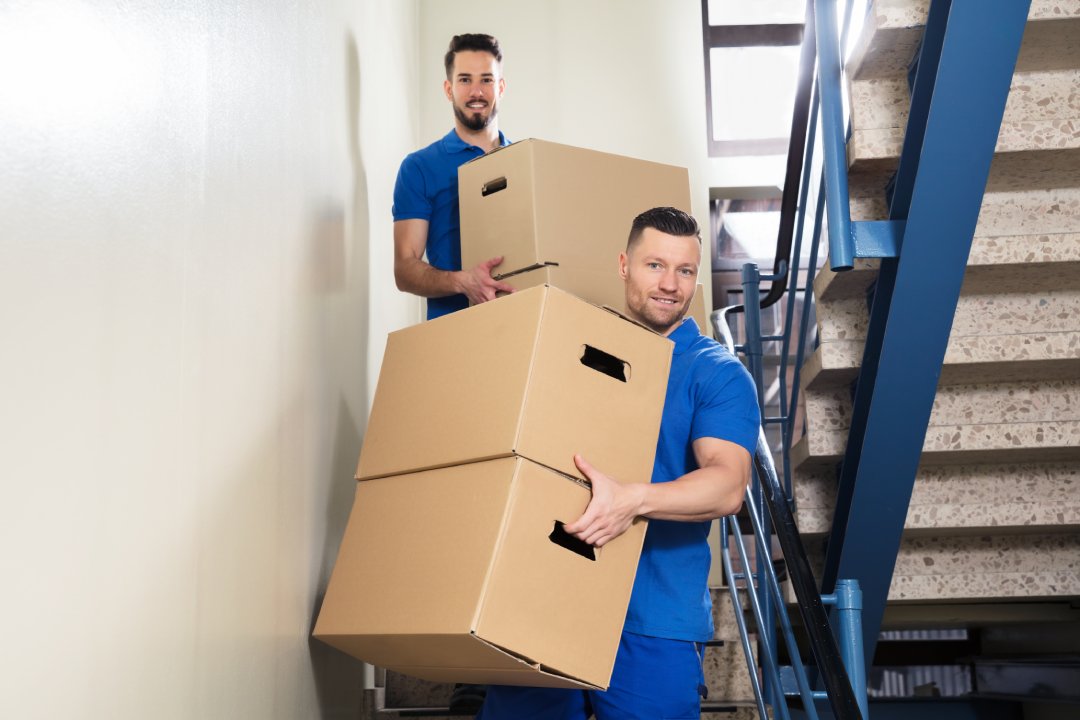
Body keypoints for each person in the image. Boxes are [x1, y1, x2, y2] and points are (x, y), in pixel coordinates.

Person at [477, 207, 762, 719]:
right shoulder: (574, 350)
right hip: (546, 597)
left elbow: (726, 486)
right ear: (624, 265)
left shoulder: (715, 373)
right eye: (656, 265)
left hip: (654, 616)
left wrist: (633, 500)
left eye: (686, 271)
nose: (670, 284)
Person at [392, 33, 515, 320]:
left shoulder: (526, 162)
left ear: (501, 87)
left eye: (486, 79)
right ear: (449, 89)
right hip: (454, 335)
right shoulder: (419, 167)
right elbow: (404, 269)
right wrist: (464, 282)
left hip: (521, 323)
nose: (476, 92)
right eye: (464, 80)